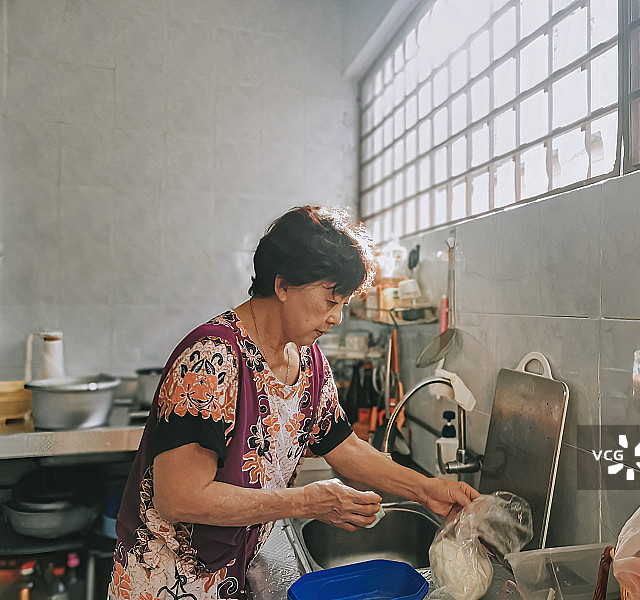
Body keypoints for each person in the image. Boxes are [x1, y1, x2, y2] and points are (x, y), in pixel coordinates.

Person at [109, 206, 479, 600]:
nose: (336, 318)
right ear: (284, 285)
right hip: (165, 582)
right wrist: (305, 501)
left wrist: (426, 489)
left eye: (343, 304)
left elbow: (345, 447)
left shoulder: (307, 360)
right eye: (330, 300)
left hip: (230, 574)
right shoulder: (212, 359)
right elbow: (180, 497)